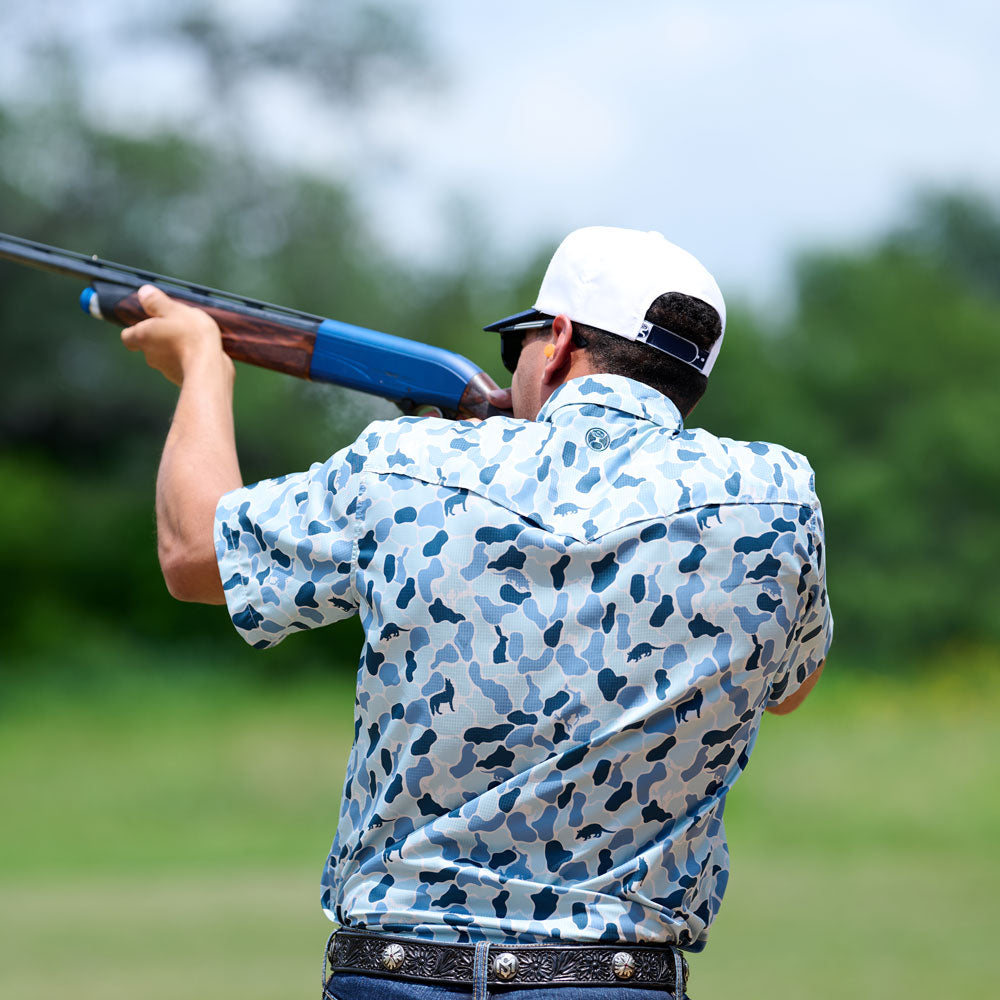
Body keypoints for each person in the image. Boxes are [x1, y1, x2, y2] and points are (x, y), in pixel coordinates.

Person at [122, 226, 832, 1000]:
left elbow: (194, 552)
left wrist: (201, 364)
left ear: (557, 341)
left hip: (399, 976)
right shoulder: (777, 498)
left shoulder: (410, 463)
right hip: (618, 979)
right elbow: (789, 686)